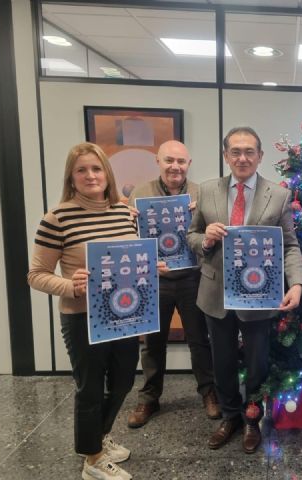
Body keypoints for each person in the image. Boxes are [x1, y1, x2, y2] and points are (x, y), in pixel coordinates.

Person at [27, 142, 150, 480]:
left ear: (107, 174)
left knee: (124, 381)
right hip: (82, 318)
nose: (90, 175)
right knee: (91, 388)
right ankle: (92, 459)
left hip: (125, 316)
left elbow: (130, 262)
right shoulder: (57, 218)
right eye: (82, 170)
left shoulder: (124, 213)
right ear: (71, 177)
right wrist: (70, 285)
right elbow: (35, 275)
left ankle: (98, 437)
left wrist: (154, 268)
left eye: (96, 169)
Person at [187, 126, 302, 454]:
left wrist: (295, 283)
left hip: (258, 294)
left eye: (249, 151)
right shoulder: (209, 190)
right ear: (226, 155)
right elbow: (191, 236)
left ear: (260, 156)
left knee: (257, 362)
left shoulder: (278, 195)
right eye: (235, 151)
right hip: (216, 293)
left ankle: (252, 418)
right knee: (221, 360)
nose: (242, 157)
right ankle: (230, 416)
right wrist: (205, 237)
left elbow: (289, 245)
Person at [126, 140, 220, 428]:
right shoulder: (140, 195)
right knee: (152, 343)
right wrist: (127, 221)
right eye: (169, 160)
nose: (175, 166)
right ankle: (149, 398)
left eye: (180, 161)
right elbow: (130, 238)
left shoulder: (201, 193)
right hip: (155, 279)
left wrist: (200, 219)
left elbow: (212, 235)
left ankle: (208, 392)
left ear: (189, 164)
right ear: (158, 161)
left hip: (193, 276)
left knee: (199, 340)